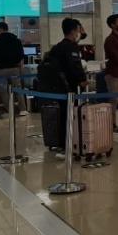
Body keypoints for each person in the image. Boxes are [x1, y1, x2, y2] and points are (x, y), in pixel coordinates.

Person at [48, 18, 89, 157]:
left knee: (63, 116)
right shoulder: (71, 48)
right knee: (71, 116)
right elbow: (75, 65)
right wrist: (82, 79)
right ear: (73, 32)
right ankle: (69, 146)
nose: (79, 33)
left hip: (57, 87)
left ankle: (63, 144)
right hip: (70, 87)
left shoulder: (56, 47)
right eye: (78, 30)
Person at [0, 22, 27, 117]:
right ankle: (22, 110)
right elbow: (21, 55)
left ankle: (10, 110)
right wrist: (14, 62)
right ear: (7, 29)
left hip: (0, 69)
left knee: (3, 91)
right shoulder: (17, 40)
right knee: (18, 89)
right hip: (13, 68)